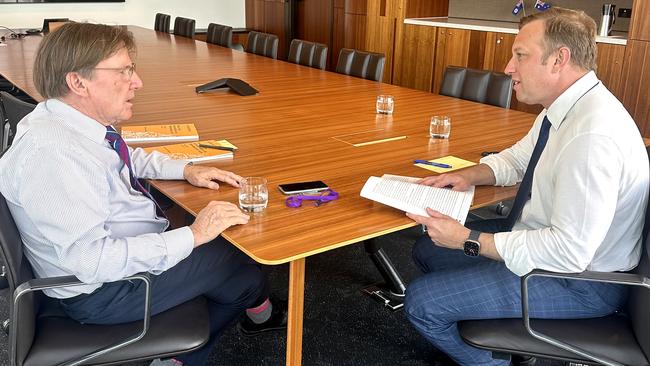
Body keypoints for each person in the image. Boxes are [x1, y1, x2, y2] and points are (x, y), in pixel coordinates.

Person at [0, 22, 285, 366]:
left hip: (102, 266)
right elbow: (91, 261)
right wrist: (193, 235)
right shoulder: (55, 155)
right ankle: (180, 356)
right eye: (124, 71)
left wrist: (185, 169)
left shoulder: (62, 119)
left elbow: (122, 154)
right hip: (102, 292)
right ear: (77, 81)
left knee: (231, 264)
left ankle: (253, 311)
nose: (137, 82)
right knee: (241, 267)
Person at [403, 7, 649, 366]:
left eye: (520, 55)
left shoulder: (592, 136)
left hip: (579, 281)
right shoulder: (567, 106)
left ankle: (493, 360)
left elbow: (568, 252)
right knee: (427, 248)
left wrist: (469, 240)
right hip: (538, 238)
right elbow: (520, 157)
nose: (508, 67)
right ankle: (488, 323)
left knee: (422, 303)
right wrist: (470, 175)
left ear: (558, 60)